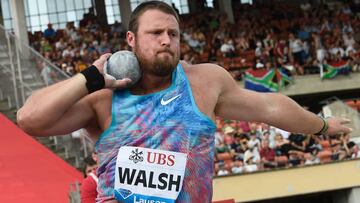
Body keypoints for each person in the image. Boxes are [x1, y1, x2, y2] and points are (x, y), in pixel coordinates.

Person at [17, 1, 352, 203]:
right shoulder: (103, 97)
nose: (166, 40)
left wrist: (322, 125)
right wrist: (89, 77)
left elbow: (270, 107)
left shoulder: (204, 82)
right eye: (156, 33)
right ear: (131, 40)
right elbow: (31, 119)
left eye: (173, 34)